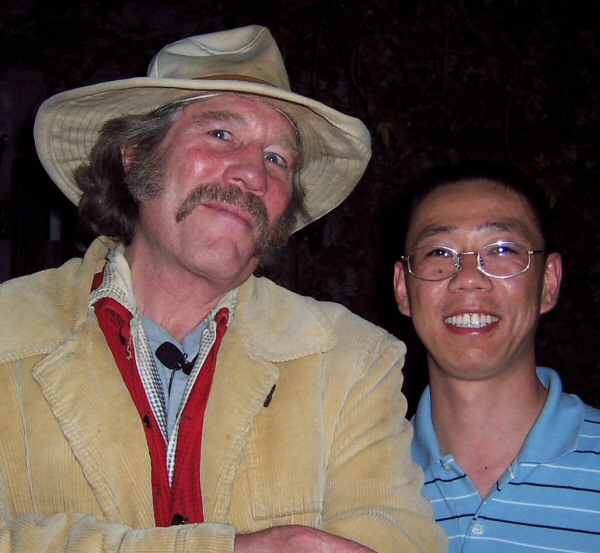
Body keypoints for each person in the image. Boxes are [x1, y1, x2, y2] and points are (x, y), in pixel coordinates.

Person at [0, 25, 447, 553]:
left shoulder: (352, 357)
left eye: (278, 159)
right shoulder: (10, 330)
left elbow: (397, 536)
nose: (254, 174)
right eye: (220, 135)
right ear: (137, 155)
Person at [393, 161, 600, 552]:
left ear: (548, 282)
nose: (469, 277)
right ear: (404, 288)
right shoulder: (359, 480)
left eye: (502, 249)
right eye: (439, 251)